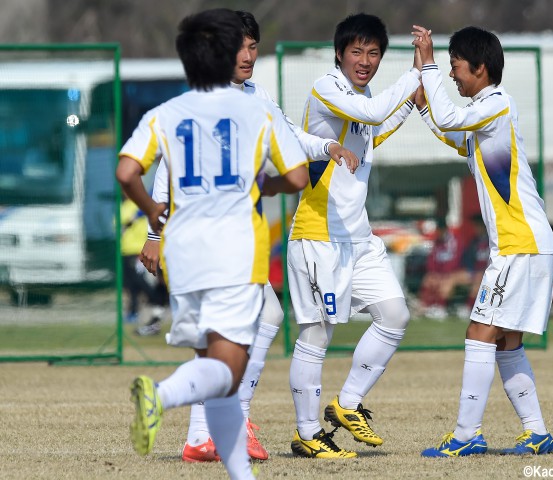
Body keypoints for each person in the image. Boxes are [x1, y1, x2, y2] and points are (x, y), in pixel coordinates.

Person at [138, 10, 359, 462]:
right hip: (212, 238)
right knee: (256, 321)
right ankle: (220, 423)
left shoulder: (256, 95)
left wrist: (326, 146)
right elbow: (167, 167)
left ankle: (208, 433)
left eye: (253, 46)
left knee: (247, 325)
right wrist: (153, 234)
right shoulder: (204, 99)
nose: (248, 55)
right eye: (239, 46)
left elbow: (290, 134)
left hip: (232, 239)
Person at [116, 8, 309, 479]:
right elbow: (298, 175)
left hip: (185, 256)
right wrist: (266, 186)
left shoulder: (165, 113)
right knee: (229, 369)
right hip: (234, 254)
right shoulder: (255, 110)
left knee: (213, 364)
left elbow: (127, 171)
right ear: (226, 57)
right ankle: (158, 396)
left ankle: (228, 462)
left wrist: (153, 215)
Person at [412, 25, 553, 456]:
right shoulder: (485, 110)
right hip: (526, 245)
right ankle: (537, 433)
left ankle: (464, 436)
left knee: (479, 333)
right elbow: (456, 134)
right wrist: (425, 108)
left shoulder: (495, 102)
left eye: (457, 67)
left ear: (479, 67)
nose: (453, 77)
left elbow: (451, 117)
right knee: (505, 340)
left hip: (520, 245)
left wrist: (429, 64)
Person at [287, 13, 421, 458]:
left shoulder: (361, 98)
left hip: (357, 238)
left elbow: (374, 130)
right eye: (357, 51)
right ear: (340, 53)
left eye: (374, 53)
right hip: (319, 236)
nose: (365, 61)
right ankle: (308, 435)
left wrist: (413, 99)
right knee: (316, 336)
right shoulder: (329, 88)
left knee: (395, 315)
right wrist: (419, 72)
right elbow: (372, 112)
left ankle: (346, 404)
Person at [120, 195, 168, 332]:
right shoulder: (124, 206)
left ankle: (156, 303)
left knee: (145, 282)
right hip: (127, 250)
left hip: (139, 249)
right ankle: (142, 314)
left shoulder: (139, 205)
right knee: (132, 285)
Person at [419, 217, 464, 319]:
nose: (438, 233)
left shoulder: (454, 241)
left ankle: (441, 308)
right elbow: (432, 259)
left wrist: (445, 274)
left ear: (445, 229)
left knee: (446, 283)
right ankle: (425, 307)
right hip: (440, 273)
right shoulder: (437, 242)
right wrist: (434, 273)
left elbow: (457, 259)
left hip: (453, 273)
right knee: (428, 279)